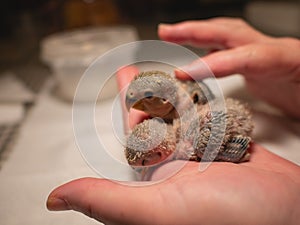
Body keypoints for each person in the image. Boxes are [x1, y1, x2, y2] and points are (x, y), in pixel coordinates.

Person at [46, 18, 300, 225]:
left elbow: (217, 117)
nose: (137, 107)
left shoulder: (193, 119)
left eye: (147, 99)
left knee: (204, 133)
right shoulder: (165, 127)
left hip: (210, 121)